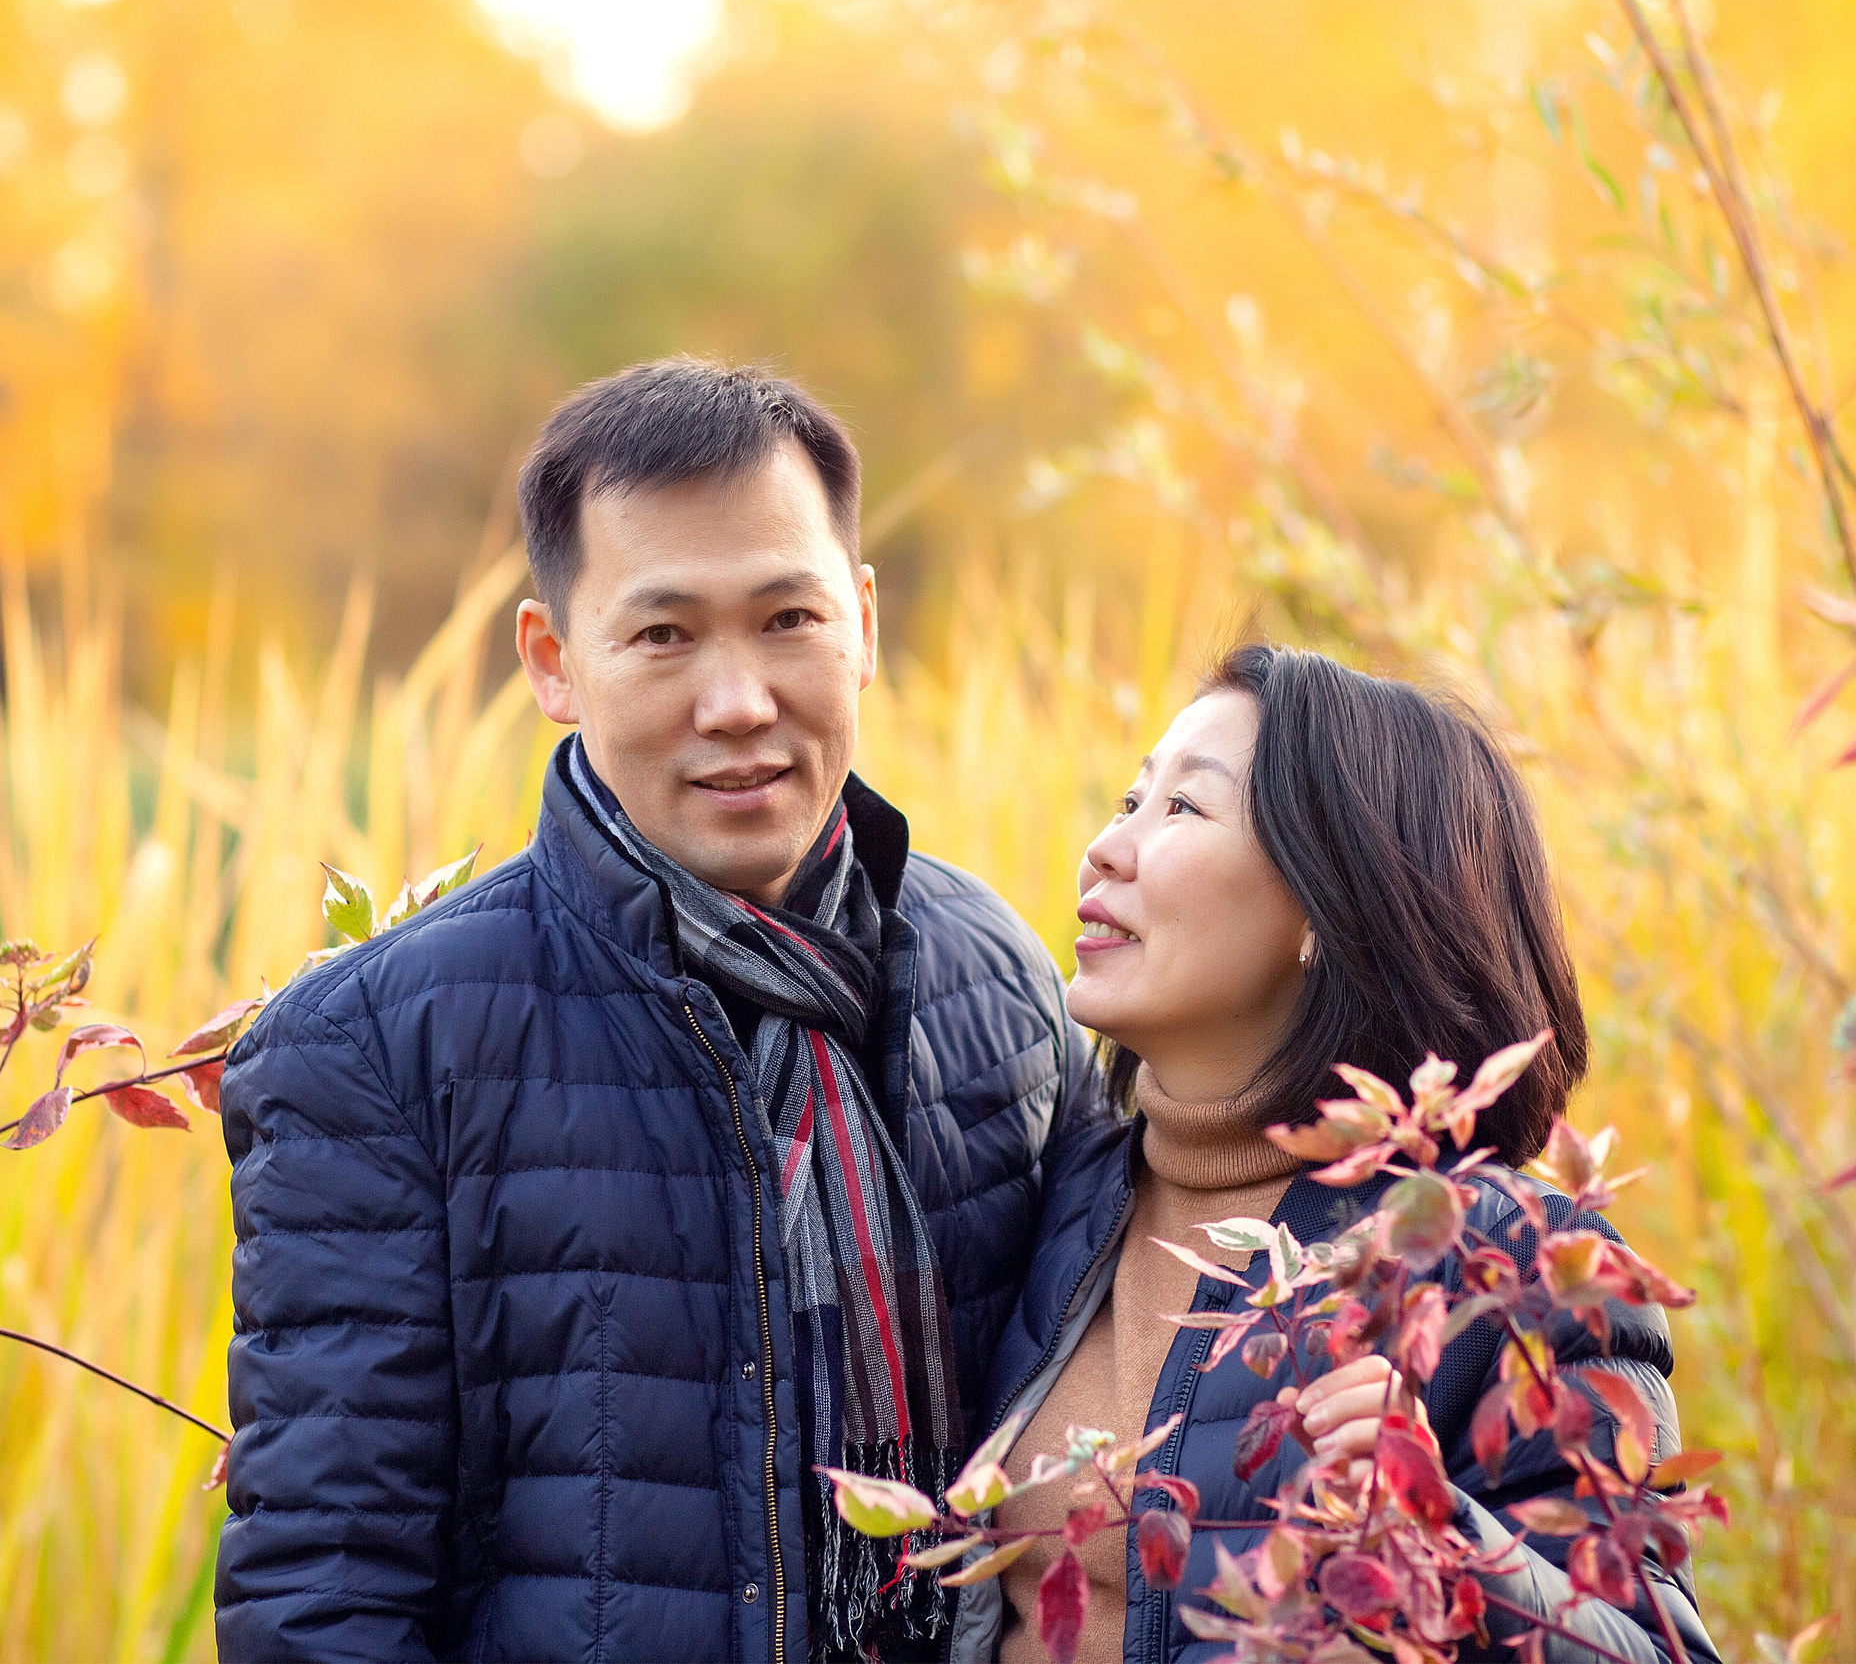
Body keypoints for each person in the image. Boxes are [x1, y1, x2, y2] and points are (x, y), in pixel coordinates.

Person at [215, 357, 1098, 1662]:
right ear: (554, 661)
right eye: (664, 633)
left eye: (787, 618)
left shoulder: (995, 975)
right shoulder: (380, 1045)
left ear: (861, 621)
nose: (737, 701)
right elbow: (327, 1597)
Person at [955, 646, 1720, 1664]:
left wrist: (1443, 1536)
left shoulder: (1516, 1266)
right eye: (1127, 800)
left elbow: (1655, 1648)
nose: (1106, 848)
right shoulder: (1054, 1194)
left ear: (1325, 905)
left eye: (1181, 810)